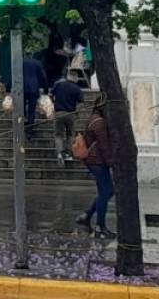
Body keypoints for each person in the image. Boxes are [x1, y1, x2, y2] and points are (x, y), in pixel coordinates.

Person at [76, 96, 116, 239]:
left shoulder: (94, 118)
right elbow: (104, 145)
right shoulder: (99, 123)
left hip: (95, 160)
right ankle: (100, 226)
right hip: (97, 161)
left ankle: (87, 215)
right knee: (107, 191)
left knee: (105, 192)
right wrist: (111, 162)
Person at [5, 54, 49, 141]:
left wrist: (8, 88)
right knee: (32, 110)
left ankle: (22, 124)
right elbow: (43, 77)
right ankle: (29, 131)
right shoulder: (37, 63)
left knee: (21, 108)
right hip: (33, 89)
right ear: (32, 55)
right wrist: (46, 89)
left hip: (21, 89)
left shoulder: (19, 63)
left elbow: (13, 75)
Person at [51, 72, 84, 165]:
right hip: (71, 113)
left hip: (59, 112)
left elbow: (51, 94)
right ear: (75, 78)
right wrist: (77, 112)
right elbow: (81, 103)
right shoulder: (77, 89)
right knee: (70, 134)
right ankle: (68, 153)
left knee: (58, 135)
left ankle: (59, 153)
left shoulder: (59, 85)